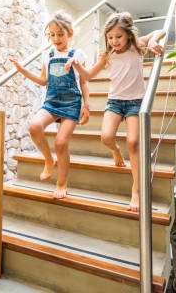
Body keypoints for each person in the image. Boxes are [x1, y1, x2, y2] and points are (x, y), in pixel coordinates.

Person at [68, 12, 165, 211]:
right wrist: (77, 66)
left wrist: (153, 40)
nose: (114, 41)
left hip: (135, 102)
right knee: (106, 137)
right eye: (110, 37)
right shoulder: (107, 55)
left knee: (133, 142)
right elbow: (88, 75)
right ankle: (116, 152)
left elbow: (160, 30)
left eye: (118, 36)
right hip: (115, 102)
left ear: (129, 34)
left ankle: (136, 190)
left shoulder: (137, 47)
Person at [9, 11, 90, 199]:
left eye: (60, 34)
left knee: (61, 143)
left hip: (72, 103)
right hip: (52, 101)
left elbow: (84, 81)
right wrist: (22, 70)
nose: (56, 38)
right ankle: (48, 159)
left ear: (69, 34)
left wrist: (86, 106)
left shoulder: (78, 54)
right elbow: (43, 81)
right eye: (52, 35)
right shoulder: (49, 54)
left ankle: (62, 183)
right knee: (34, 126)